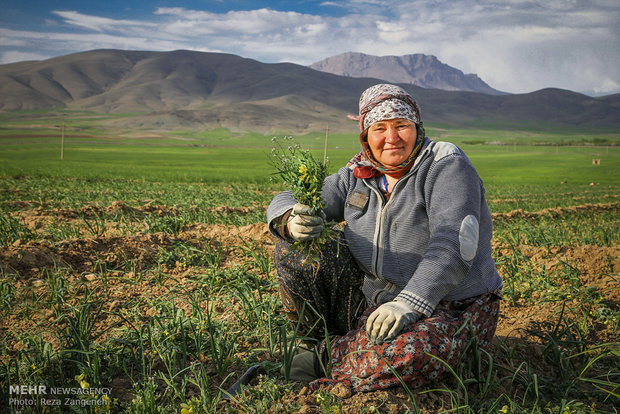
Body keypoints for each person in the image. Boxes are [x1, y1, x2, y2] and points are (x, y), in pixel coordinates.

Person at [266, 83, 503, 393]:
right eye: (379, 128)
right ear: (366, 135)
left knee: (408, 355)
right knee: (293, 250)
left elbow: (455, 243)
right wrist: (291, 218)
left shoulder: (445, 164)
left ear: (417, 128)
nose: (391, 137)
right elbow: (291, 197)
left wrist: (409, 302)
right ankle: (325, 344)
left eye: (401, 126)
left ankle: (322, 360)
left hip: (451, 306)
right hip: (377, 303)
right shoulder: (357, 173)